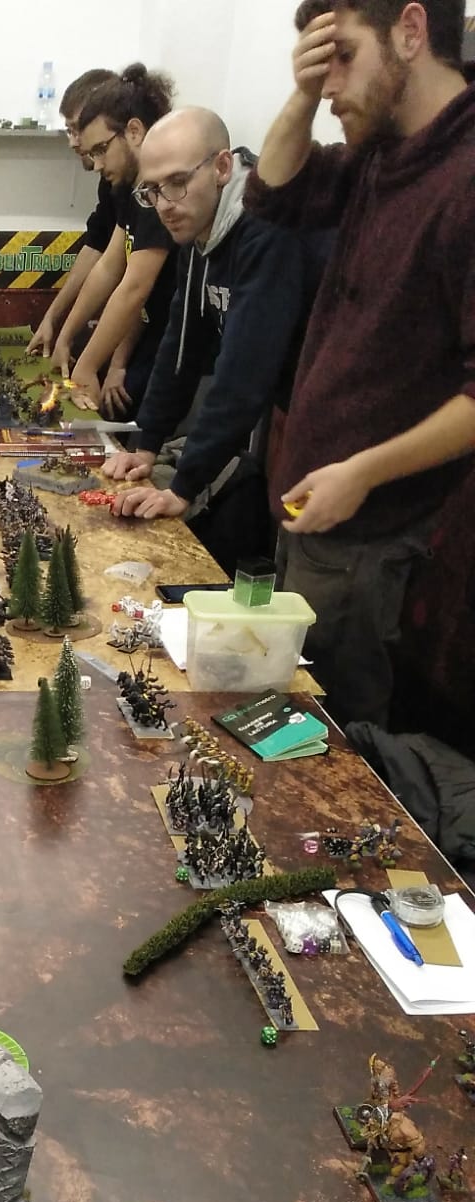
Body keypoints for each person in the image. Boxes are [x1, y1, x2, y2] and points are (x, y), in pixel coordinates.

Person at [246, 0, 475, 730]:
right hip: (319, 517)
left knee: (337, 751)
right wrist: (304, 92)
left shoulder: (465, 177)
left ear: (411, 31)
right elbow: (270, 196)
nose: (330, 85)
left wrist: (365, 472)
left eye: (341, 55)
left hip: (375, 536)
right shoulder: (381, 152)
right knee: (284, 727)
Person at [102, 107, 310, 569]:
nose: (164, 204)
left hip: (324, 420)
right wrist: (146, 446)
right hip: (291, 407)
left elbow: (243, 376)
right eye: (152, 190)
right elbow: (181, 345)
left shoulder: (264, 229)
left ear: (222, 167)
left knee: (305, 564)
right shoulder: (198, 231)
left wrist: (183, 488)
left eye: (177, 182)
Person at [51, 64, 178, 420]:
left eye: (101, 150)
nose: (96, 164)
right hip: (150, 332)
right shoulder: (128, 187)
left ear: (134, 131)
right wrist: (66, 335)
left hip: (175, 341)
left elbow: (134, 287)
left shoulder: (159, 190)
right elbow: (109, 265)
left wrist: (88, 366)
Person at [27, 68, 117, 361]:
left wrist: (68, 336)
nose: (74, 142)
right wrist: (52, 318)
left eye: (78, 129)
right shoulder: (110, 183)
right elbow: (96, 247)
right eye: (69, 130)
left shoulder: (139, 185)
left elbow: (131, 280)